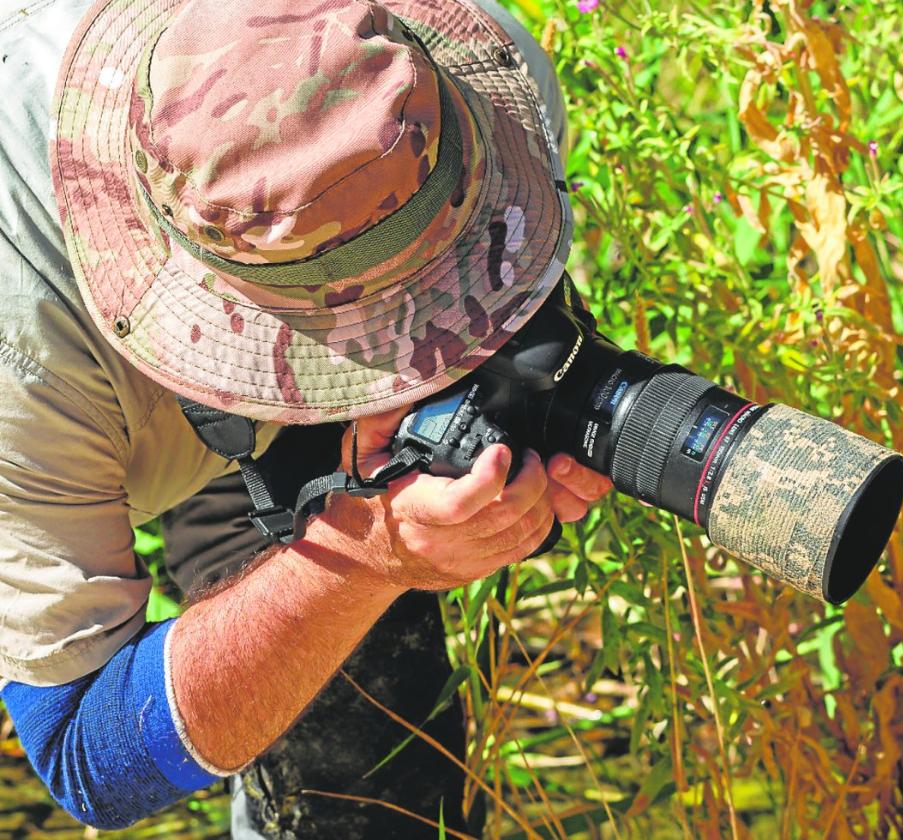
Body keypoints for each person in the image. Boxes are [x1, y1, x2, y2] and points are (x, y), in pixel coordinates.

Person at [0, 0, 613, 835]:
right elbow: (86, 754)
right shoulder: (26, 346)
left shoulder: (467, 79)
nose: (399, 358)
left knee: (367, 786)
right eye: (356, 339)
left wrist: (517, 410)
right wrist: (360, 554)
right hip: (83, 388)